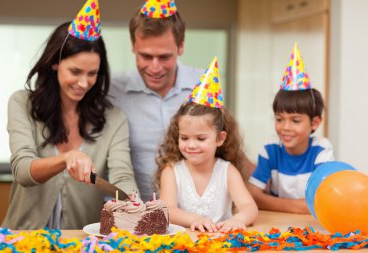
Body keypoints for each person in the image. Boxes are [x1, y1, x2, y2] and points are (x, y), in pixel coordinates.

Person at [2, 0, 138, 230]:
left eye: (92, 73)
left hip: (82, 241)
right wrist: (66, 158)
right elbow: (23, 171)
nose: (84, 83)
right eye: (75, 71)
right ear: (55, 63)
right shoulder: (22, 103)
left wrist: (134, 200)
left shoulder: (114, 119)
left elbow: (122, 174)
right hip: (21, 239)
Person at [109, 0, 204, 201]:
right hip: (131, 211)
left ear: (181, 46)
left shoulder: (202, 85)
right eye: (146, 56)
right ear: (134, 46)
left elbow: (222, 146)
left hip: (192, 216)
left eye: (164, 57)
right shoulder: (112, 90)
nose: (154, 67)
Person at [155, 58, 258, 233]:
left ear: (220, 138)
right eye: (185, 138)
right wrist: (194, 219)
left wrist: (239, 219)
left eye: (200, 139)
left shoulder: (227, 171)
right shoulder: (171, 171)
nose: (191, 145)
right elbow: (167, 210)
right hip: (182, 245)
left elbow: (249, 206)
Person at [247, 43, 334, 214]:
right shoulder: (270, 148)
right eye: (279, 119)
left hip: (311, 227)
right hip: (277, 225)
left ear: (315, 123)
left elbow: (322, 202)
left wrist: (270, 201)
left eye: (295, 121)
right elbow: (252, 195)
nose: (285, 128)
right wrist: (300, 206)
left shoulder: (322, 150)